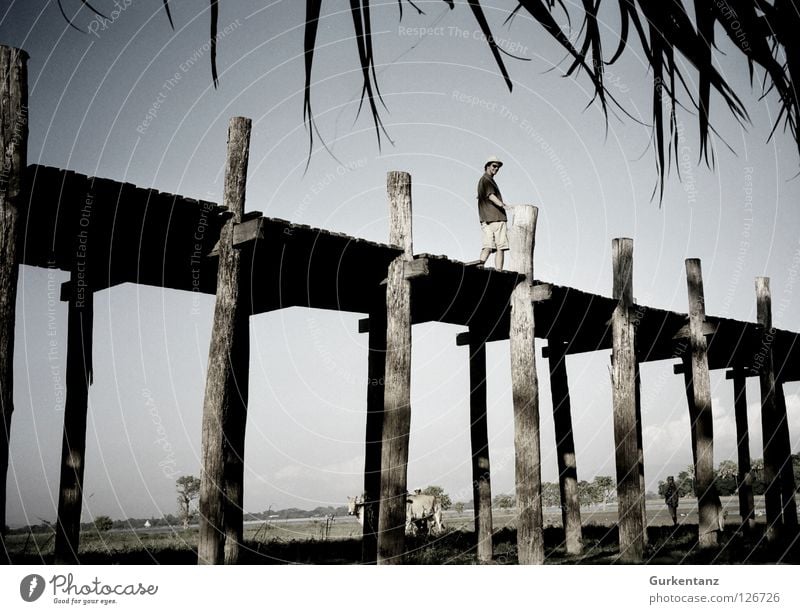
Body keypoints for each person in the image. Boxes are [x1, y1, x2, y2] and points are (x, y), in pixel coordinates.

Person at [476, 156, 509, 270]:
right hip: (496, 217)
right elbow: (490, 195)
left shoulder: (483, 180)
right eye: (494, 166)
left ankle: (480, 266)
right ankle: (498, 270)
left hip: (486, 218)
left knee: (488, 246)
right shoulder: (487, 180)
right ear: (487, 166)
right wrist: (503, 205)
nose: (496, 169)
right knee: (500, 247)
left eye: (498, 167)